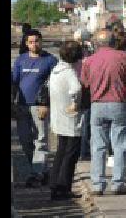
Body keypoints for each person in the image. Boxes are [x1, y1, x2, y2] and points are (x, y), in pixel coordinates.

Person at [80, 28, 126, 195]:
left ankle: (97, 184)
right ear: (114, 42)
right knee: (120, 144)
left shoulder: (89, 61)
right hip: (119, 103)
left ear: (97, 44)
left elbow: (84, 84)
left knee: (98, 146)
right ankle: (118, 183)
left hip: (97, 105)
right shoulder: (125, 58)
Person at [11, 29, 59, 188]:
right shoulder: (20, 60)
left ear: (41, 41)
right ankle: (42, 171)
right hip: (22, 107)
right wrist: (12, 104)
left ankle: (36, 174)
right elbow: (14, 83)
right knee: (25, 141)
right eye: (31, 42)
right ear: (26, 43)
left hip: (40, 107)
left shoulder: (50, 60)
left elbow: (55, 84)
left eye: (37, 41)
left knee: (41, 141)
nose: (34, 44)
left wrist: (47, 104)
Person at [47, 41, 84, 200]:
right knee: (70, 154)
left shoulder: (56, 69)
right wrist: (75, 103)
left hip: (58, 116)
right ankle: (63, 187)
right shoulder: (69, 72)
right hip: (70, 118)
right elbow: (76, 88)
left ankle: (55, 185)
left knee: (61, 153)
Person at [73, 28, 95, 161]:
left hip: (84, 90)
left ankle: (82, 150)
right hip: (84, 90)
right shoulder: (85, 57)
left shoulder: (83, 55)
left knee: (83, 123)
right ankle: (83, 151)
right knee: (84, 122)